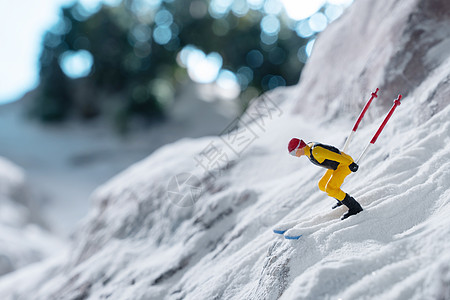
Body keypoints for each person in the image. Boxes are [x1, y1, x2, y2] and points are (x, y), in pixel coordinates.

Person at [288, 138, 363, 220]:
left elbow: (336, 156)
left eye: (293, 152)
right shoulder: (308, 150)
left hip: (344, 165)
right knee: (322, 185)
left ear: (299, 147)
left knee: (331, 189)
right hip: (335, 166)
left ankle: (355, 208)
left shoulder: (316, 151)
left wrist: (350, 164)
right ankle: (341, 199)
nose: (294, 155)